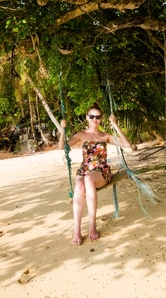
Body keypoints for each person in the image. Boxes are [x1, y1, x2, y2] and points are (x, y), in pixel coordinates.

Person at [58, 103, 130, 246]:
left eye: (97, 117)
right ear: (87, 117)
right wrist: (62, 130)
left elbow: (126, 144)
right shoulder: (81, 135)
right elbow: (61, 147)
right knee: (79, 184)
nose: (94, 119)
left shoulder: (105, 136)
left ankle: (92, 224)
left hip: (101, 170)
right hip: (84, 169)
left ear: (101, 119)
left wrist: (115, 125)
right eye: (91, 116)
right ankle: (77, 230)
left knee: (89, 179)